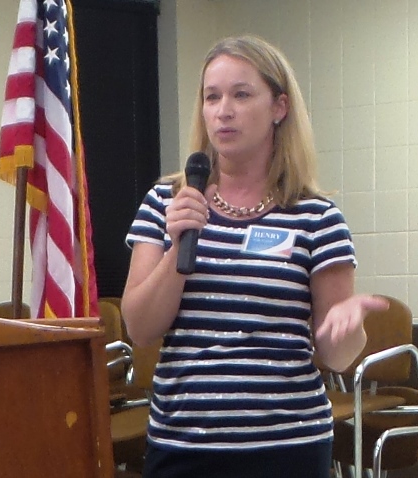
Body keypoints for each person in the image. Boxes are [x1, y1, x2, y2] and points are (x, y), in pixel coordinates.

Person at [121, 34, 389, 478]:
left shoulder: (316, 215)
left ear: (279, 107)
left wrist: (347, 326)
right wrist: (179, 245)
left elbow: (338, 356)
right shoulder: (165, 203)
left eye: (241, 95)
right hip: (183, 444)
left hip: (287, 447)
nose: (223, 109)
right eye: (212, 96)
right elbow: (140, 329)